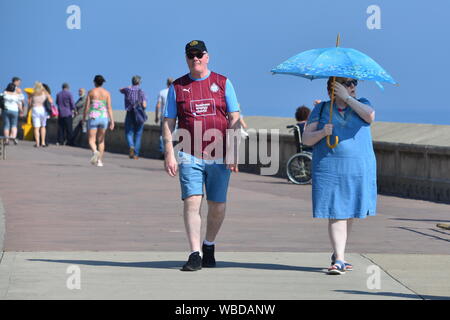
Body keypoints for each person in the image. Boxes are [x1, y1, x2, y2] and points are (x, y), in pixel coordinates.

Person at [163, 40, 241, 271]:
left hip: (220, 154)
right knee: (192, 202)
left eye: (199, 54)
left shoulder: (223, 83)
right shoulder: (177, 87)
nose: (195, 58)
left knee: (217, 206)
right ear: (186, 59)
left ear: (207, 57)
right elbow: (168, 121)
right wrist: (169, 152)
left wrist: (234, 151)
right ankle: (194, 253)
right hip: (189, 154)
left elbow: (235, 118)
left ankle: (209, 244)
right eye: (190, 55)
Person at [303, 77, 376, 275]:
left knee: (349, 212)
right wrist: (322, 133)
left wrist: (348, 98)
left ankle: (338, 253)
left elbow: (370, 116)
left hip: (358, 167)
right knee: (336, 212)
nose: (352, 87)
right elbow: (306, 138)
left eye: (354, 83)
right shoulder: (321, 109)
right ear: (332, 89)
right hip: (330, 168)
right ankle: (340, 260)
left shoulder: (363, 104)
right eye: (346, 84)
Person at [83, 75, 115, 167]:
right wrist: (112, 121)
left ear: (94, 82)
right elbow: (109, 107)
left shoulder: (91, 92)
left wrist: (84, 117)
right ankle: (100, 161)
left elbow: (87, 107)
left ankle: (95, 151)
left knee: (91, 140)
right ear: (102, 82)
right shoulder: (107, 93)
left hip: (93, 117)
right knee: (101, 140)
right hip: (104, 118)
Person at [120, 76, 147, 160]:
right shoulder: (141, 91)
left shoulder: (127, 90)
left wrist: (128, 87)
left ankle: (131, 146)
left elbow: (120, 89)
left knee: (129, 132)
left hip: (130, 112)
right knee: (138, 134)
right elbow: (144, 105)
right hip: (139, 114)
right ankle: (136, 154)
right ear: (139, 82)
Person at [28, 82, 52, 147]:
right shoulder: (44, 93)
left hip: (35, 109)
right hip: (42, 109)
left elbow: (29, 104)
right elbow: (51, 101)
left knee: (36, 128)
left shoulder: (32, 94)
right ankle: (43, 142)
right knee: (43, 126)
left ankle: (37, 143)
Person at [155, 77, 174, 155]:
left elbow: (158, 106)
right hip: (173, 117)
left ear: (167, 83)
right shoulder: (175, 92)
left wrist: (156, 116)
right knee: (172, 134)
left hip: (164, 116)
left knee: (162, 134)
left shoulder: (162, 92)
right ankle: (170, 152)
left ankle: (162, 151)